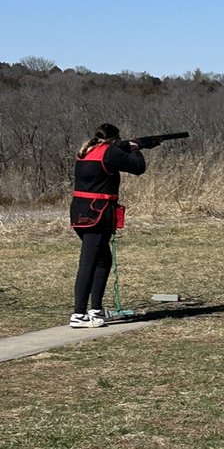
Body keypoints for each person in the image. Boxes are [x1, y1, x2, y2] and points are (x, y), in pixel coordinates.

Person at [69, 123, 146, 327]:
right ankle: (78, 315)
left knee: (103, 261)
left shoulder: (86, 151)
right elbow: (139, 168)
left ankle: (96, 310)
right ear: (114, 139)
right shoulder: (109, 152)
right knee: (89, 262)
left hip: (80, 212)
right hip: (98, 214)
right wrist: (136, 148)